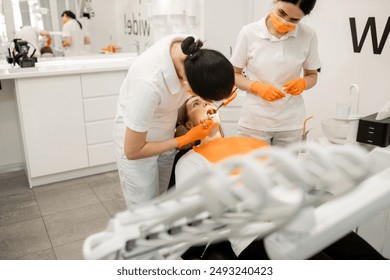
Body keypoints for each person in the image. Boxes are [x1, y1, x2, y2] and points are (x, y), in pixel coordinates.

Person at [174, 96, 385, 261]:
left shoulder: (248, 144)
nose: (206, 104)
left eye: (207, 100)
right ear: (190, 126)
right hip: (257, 237)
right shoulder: (189, 163)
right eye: (196, 104)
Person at [113, 35, 235, 208]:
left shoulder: (193, 56)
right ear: (189, 88)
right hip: (136, 141)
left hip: (167, 133)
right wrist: (184, 139)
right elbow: (133, 150)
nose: (208, 107)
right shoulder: (148, 84)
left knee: (161, 200)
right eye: (198, 101)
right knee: (144, 208)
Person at [230, 0, 321, 146]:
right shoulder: (249, 32)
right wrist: (256, 87)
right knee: (252, 168)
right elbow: (234, 74)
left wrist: (304, 83)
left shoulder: (308, 35)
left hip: (290, 123)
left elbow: (312, 75)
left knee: (285, 169)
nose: (285, 22)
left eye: (294, 20)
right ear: (276, 1)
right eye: (282, 13)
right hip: (255, 121)